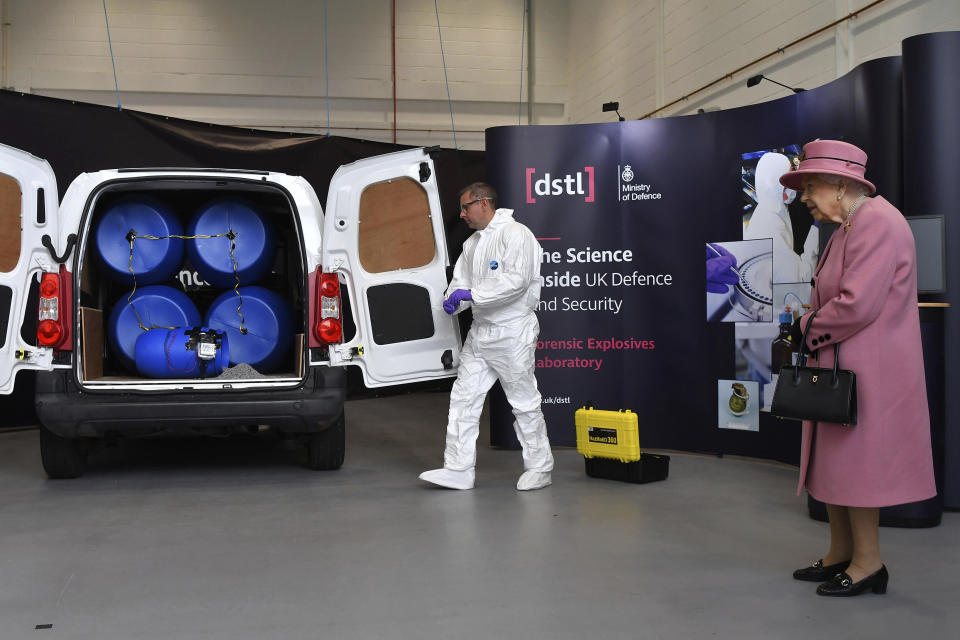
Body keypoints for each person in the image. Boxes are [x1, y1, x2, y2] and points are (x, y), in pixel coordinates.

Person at [779, 140, 936, 597]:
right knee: (836, 466)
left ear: (841, 184)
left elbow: (856, 305)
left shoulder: (877, 223)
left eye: (809, 186)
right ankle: (840, 553)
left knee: (857, 469)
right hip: (845, 368)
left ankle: (869, 564)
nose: (803, 197)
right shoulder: (852, 224)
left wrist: (804, 328)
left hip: (869, 373)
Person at [419, 182, 554, 491]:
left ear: (483, 203)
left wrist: (473, 294)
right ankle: (458, 468)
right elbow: (459, 283)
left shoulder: (516, 234)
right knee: (463, 398)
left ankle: (540, 467)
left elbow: (517, 282)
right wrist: (454, 299)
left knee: (523, 401)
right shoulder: (472, 245)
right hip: (481, 333)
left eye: (466, 207)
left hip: (512, 332)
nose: (462, 213)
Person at [745, 152, 819, 284]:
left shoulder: (770, 210)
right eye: (787, 181)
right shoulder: (770, 227)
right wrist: (816, 232)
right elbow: (800, 278)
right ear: (775, 185)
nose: (792, 186)